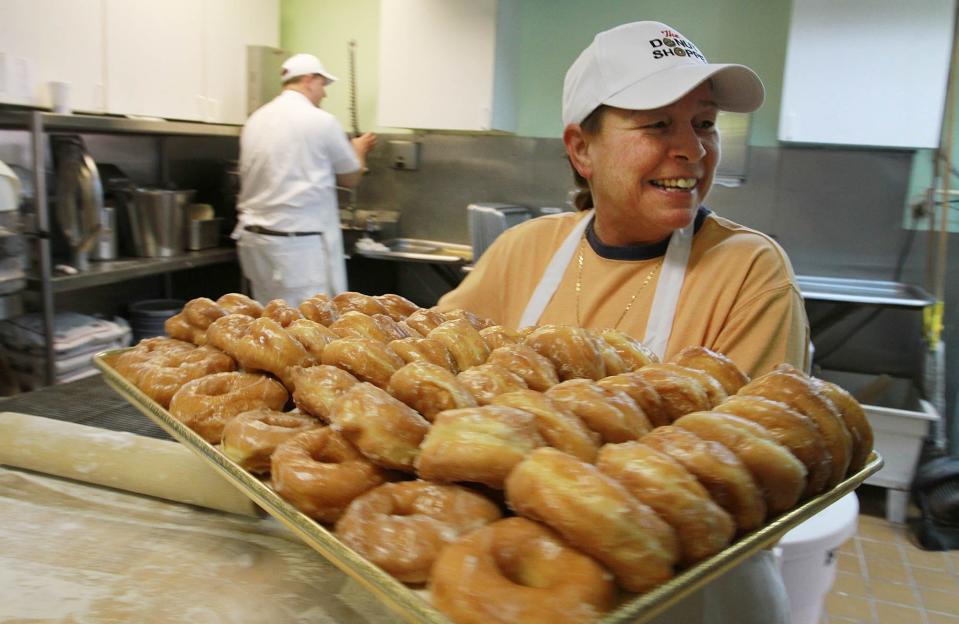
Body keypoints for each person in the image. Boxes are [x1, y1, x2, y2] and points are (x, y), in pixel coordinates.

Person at [438, 20, 808, 623]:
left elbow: (746, 485)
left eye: (705, 122)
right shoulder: (522, 249)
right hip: (531, 590)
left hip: (693, 599)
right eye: (658, 123)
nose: (692, 148)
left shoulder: (747, 270)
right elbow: (432, 383)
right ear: (582, 149)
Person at [233, 52, 376, 307]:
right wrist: (358, 150)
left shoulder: (256, 120)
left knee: (269, 322)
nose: (324, 94)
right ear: (309, 80)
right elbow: (350, 178)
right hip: (295, 248)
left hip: (255, 241)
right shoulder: (320, 121)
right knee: (307, 326)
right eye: (323, 85)